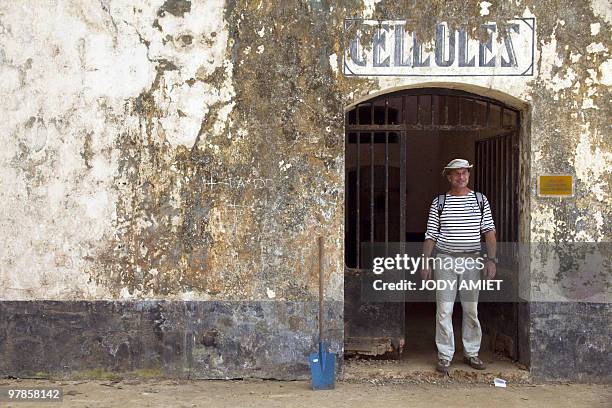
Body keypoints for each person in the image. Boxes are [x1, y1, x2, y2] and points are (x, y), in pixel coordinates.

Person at [421, 158, 497, 373]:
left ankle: (472, 353)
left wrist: (491, 260)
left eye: (464, 173)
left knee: (471, 309)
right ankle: (445, 355)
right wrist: (425, 261)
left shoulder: (480, 200)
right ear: (449, 177)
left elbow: (489, 232)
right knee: (444, 310)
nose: (461, 177)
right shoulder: (440, 203)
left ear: (468, 175)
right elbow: (431, 234)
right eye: (456, 174)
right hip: (445, 259)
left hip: (472, 260)